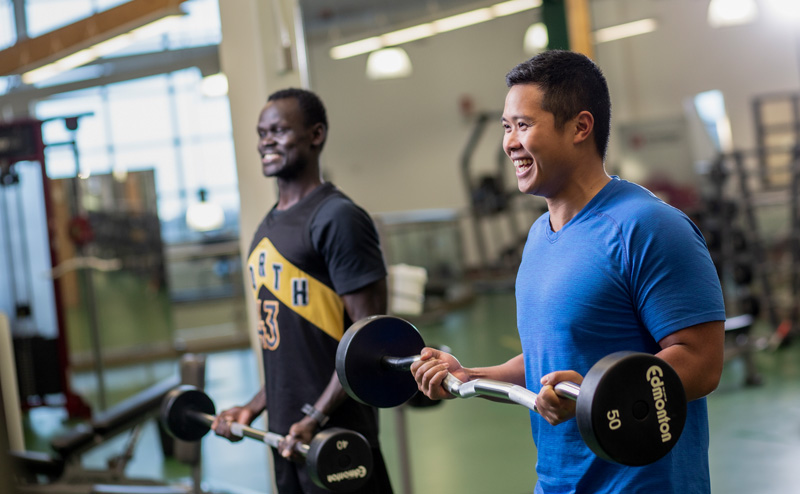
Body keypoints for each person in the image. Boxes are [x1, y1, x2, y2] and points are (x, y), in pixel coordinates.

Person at [411, 50, 725, 493]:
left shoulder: (649, 226)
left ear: (580, 127)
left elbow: (702, 361)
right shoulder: (540, 235)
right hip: (557, 482)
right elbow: (556, 355)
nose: (509, 143)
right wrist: (472, 376)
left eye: (524, 125)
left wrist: (596, 395)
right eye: (506, 127)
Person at [211, 88, 394, 493]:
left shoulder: (337, 218)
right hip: (287, 436)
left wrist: (317, 415)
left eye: (279, 130)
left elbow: (370, 345)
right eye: (262, 133)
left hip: (337, 438)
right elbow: (290, 350)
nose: (266, 141)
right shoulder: (269, 226)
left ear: (315, 135)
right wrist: (253, 406)